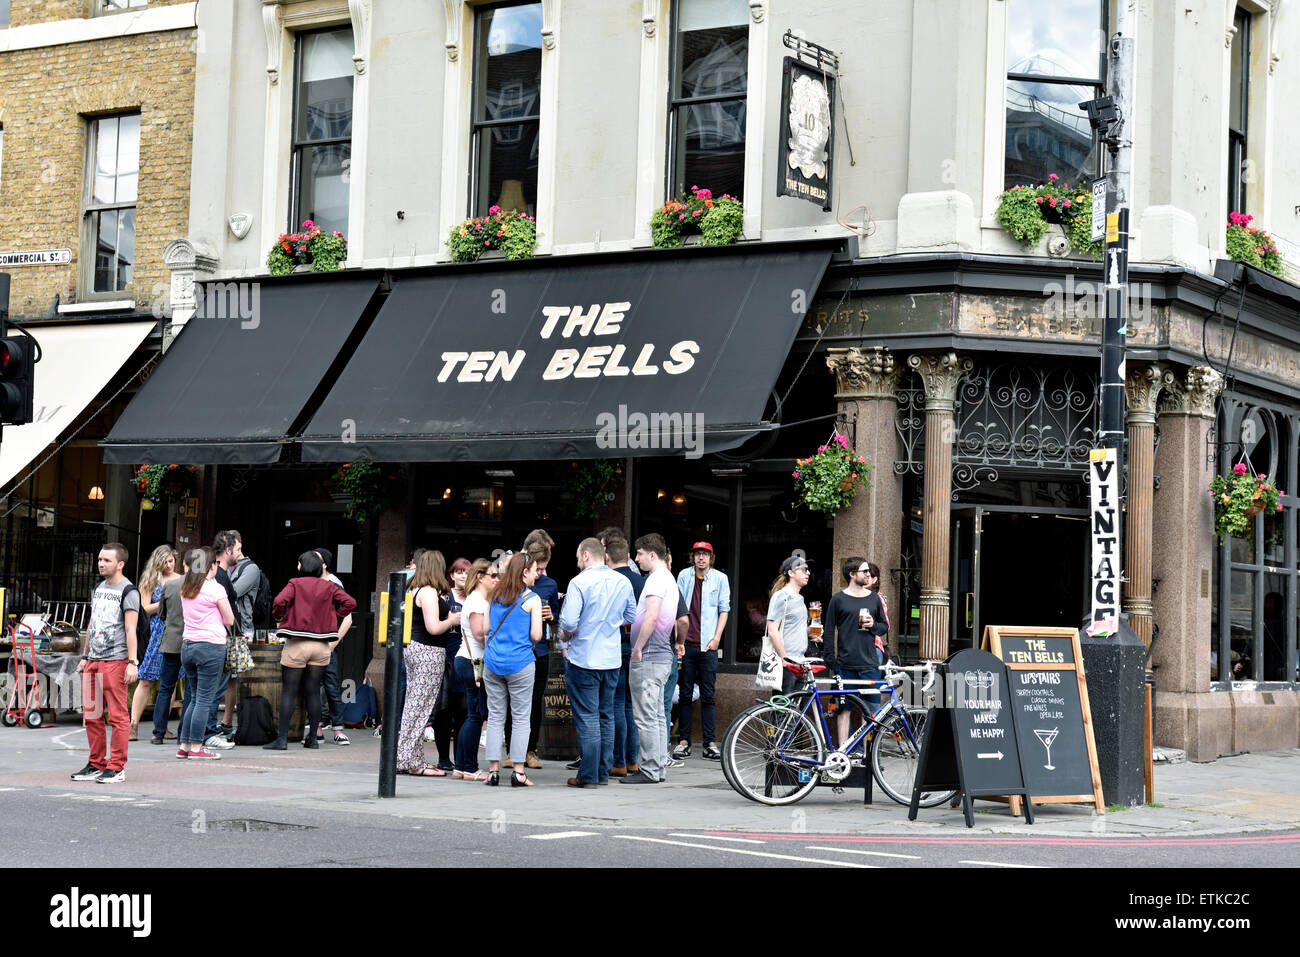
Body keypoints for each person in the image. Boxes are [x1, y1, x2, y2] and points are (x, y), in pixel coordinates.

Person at [558, 537, 636, 788]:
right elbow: (631, 615)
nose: (577, 561)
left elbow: (569, 622)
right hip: (611, 658)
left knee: (588, 717)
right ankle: (603, 771)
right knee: (607, 715)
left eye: (578, 556)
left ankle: (588, 775)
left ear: (586, 555)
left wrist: (565, 636)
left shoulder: (579, 582)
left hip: (584, 658)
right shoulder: (623, 581)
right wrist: (611, 623)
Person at [263, 551, 357, 751]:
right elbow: (351, 603)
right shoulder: (329, 586)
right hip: (321, 646)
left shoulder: (295, 584)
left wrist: (281, 617)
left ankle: (282, 740)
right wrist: (333, 615)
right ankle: (313, 738)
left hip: (297, 644)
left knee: (289, 691)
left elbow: (279, 602)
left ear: (302, 566)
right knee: (314, 691)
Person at [71, 543, 141, 783]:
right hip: (93, 661)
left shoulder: (129, 591)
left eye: (107, 560)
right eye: (100, 559)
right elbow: (93, 623)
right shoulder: (99, 588)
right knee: (92, 715)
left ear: (120, 564)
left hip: (116, 660)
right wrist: (84, 656)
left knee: (118, 717)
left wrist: (132, 662)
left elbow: (131, 629)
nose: (101, 564)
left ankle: (117, 766)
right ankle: (96, 763)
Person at [395, 551, 459, 776]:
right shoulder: (430, 592)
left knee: (414, 705)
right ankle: (409, 761)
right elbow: (433, 627)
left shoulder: (415, 589)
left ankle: (412, 758)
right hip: (428, 651)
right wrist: (451, 619)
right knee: (420, 707)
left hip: (414, 648)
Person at [482, 552, 544, 787]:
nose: (537, 574)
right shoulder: (532, 599)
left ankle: (493, 771)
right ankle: (518, 772)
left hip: (493, 663)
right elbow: (536, 635)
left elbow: (486, 627)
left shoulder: (495, 594)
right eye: (534, 570)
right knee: (520, 717)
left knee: (496, 716)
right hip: (520, 663)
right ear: (524, 572)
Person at [623, 533, 677, 785]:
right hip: (661, 656)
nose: (636, 559)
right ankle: (657, 768)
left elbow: (652, 616)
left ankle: (649, 769)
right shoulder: (669, 579)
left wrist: (638, 648)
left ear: (652, 555)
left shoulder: (656, 580)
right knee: (656, 715)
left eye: (640, 554)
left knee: (645, 716)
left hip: (650, 656)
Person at [672, 541, 730, 761]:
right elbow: (677, 608)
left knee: (708, 696)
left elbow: (724, 610)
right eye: (697, 554)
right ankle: (684, 741)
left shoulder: (720, 579)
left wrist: (716, 639)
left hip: (708, 646)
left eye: (705, 554)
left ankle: (710, 743)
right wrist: (679, 640)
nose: (701, 558)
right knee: (685, 694)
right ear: (693, 557)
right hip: (686, 645)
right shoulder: (684, 576)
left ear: (711, 557)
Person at [825, 557, 890, 747]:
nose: (869, 575)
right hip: (845, 664)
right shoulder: (838, 599)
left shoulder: (873, 598)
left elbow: (884, 626)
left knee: (870, 712)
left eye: (869, 571)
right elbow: (829, 631)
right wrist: (831, 660)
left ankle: (865, 755)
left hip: (870, 663)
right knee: (843, 710)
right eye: (865, 572)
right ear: (852, 575)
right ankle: (843, 752)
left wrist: (872, 626)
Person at [177, 548, 234, 761]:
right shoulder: (215, 588)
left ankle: (185, 745)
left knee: (193, 698)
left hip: (188, 646)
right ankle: (197, 747)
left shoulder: (186, 586)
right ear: (212, 566)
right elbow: (229, 619)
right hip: (210, 647)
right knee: (203, 699)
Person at [513, 530, 558, 771]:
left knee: (534, 702)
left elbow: (556, 617)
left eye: (543, 568)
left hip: (539, 652)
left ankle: (530, 750)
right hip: (517, 651)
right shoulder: (513, 581)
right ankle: (511, 750)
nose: (541, 573)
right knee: (512, 703)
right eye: (537, 569)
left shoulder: (550, 584)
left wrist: (550, 616)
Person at [452, 558, 496, 781]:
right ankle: (469, 767)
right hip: (473, 662)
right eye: (493, 575)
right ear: (480, 577)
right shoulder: (478, 602)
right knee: (475, 716)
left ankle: (461, 767)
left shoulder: (474, 599)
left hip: (466, 660)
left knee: (472, 715)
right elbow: (480, 635)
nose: (496, 579)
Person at [129, 545, 178, 742]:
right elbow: (143, 610)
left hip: (175, 629)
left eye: (171, 561)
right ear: (157, 562)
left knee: (171, 681)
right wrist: (165, 601)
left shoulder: (180, 579)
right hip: (156, 632)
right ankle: (133, 725)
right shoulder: (151, 581)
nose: (169, 565)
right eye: (165, 562)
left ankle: (162, 725)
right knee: (146, 679)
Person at [603, 533, 643, 777]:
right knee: (631, 705)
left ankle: (617, 761)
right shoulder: (640, 581)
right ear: (628, 557)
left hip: (614, 645)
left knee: (616, 702)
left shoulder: (606, 580)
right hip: (637, 645)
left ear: (606, 557)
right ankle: (632, 761)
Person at [201, 532, 240, 750]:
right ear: (227, 551)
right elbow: (227, 616)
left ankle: (193, 734)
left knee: (202, 690)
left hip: (202, 639)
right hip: (219, 639)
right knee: (215, 689)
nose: (239, 554)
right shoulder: (220, 579)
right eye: (237, 550)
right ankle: (208, 732)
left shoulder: (204, 579)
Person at [432, 557, 472, 770]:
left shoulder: (476, 597)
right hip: (446, 657)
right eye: (459, 572)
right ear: (451, 575)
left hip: (467, 657)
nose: (463, 576)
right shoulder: (443, 596)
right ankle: (443, 757)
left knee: (465, 709)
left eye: (466, 572)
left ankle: (461, 757)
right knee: (444, 709)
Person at [313, 546, 354, 745]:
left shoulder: (333, 584)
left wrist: (333, 642)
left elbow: (348, 617)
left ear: (324, 564)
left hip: (325, 643)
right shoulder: (306, 582)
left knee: (330, 685)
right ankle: (317, 728)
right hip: (310, 643)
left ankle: (338, 729)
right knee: (313, 686)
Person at [223, 530, 261, 740]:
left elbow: (233, 592)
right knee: (229, 678)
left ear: (238, 544)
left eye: (230, 543)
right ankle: (226, 721)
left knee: (237, 677)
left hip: (242, 629)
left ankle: (232, 721)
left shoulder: (251, 568)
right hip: (224, 628)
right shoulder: (225, 567)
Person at [150, 552, 187, 745]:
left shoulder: (170, 585)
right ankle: (184, 733)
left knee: (166, 687)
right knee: (191, 690)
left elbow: (162, 614)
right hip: (194, 642)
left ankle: (158, 732)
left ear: (184, 564)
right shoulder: (205, 587)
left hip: (171, 641)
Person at [766, 556, 812, 694]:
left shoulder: (800, 598)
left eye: (808, 570)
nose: (808, 573)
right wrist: (784, 659)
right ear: (791, 573)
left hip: (800, 661)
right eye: (803, 569)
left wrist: (811, 632)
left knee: (793, 711)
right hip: (787, 662)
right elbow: (772, 630)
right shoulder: (781, 596)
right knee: (782, 709)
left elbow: (795, 629)